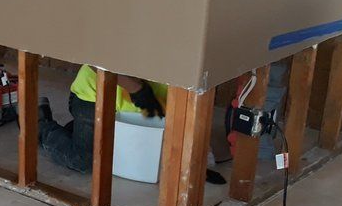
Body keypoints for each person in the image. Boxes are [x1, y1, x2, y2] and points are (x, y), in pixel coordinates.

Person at [38, 65, 226, 184]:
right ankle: (39, 124)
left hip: (137, 110)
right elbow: (97, 60)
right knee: (83, 160)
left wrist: (196, 163)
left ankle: (81, 131)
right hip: (94, 96)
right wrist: (137, 89)